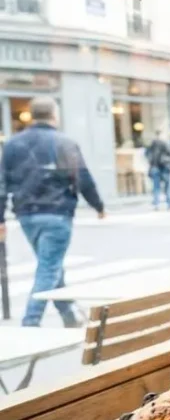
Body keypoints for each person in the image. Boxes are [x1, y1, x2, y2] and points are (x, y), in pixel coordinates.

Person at [1, 96, 106, 328]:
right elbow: (83, 178)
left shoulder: (12, 145)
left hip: (26, 215)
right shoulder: (64, 143)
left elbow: (2, 183)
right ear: (54, 115)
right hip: (58, 214)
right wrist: (98, 206)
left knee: (50, 263)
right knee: (48, 268)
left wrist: (1, 217)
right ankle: (30, 323)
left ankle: (68, 315)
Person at [145, 130, 170, 211]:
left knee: (156, 187)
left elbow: (147, 155)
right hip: (164, 167)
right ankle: (169, 203)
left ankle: (157, 204)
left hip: (156, 167)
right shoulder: (165, 144)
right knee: (167, 186)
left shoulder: (152, 144)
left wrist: (151, 163)